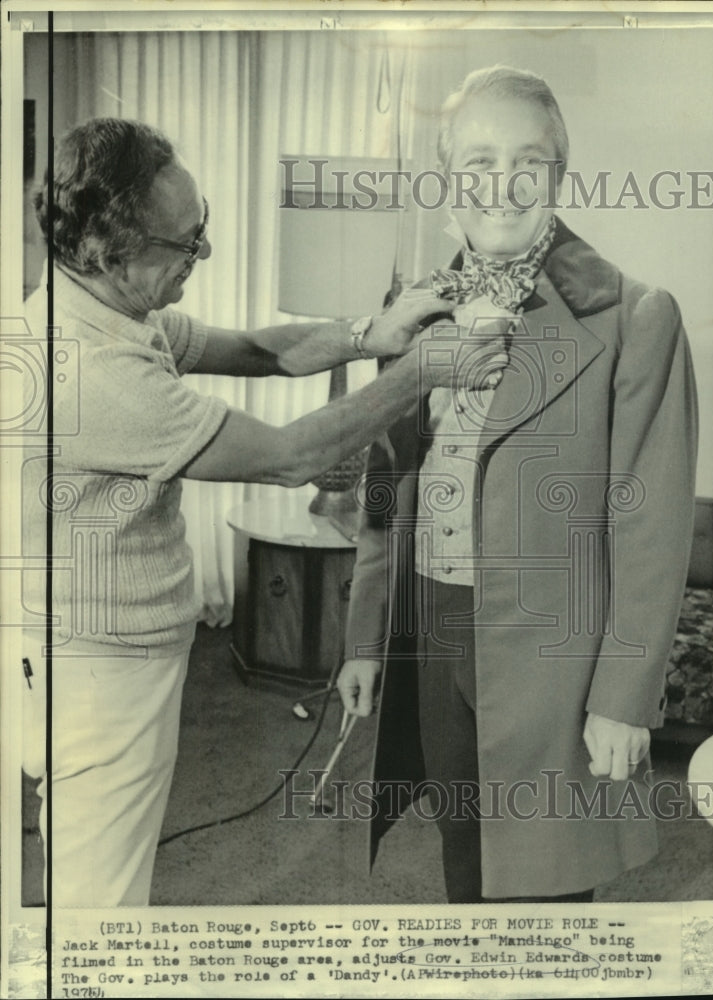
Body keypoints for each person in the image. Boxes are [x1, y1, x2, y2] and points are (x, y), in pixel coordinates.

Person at [20, 116, 509, 907]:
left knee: (83, 862)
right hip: (100, 672)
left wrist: (364, 334)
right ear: (110, 250)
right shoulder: (92, 372)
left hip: (70, 647)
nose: (202, 255)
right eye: (185, 244)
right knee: (99, 908)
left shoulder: (102, 308)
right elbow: (289, 458)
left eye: (202, 228)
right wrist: (419, 371)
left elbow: (254, 347)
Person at [337, 66, 698, 903]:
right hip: (431, 628)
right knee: (463, 858)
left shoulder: (634, 316)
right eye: (475, 165)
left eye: (525, 165)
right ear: (446, 180)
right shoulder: (410, 310)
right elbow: (386, 489)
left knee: (545, 887)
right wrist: (364, 636)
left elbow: (649, 529)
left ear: (558, 177)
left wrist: (623, 699)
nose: (498, 188)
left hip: (554, 658)